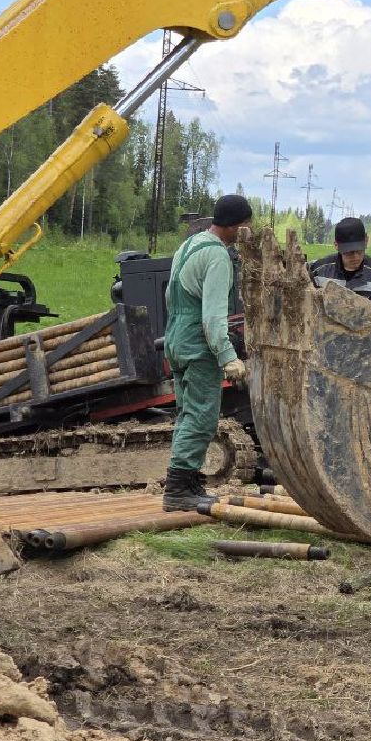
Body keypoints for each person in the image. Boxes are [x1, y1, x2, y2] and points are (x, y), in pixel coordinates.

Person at [161, 194, 252, 512]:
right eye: (247, 227)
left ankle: (188, 482)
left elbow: (171, 295)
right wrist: (228, 357)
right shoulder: (218, 256)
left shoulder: (190, 244)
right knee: (201, 417)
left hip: (176, 338)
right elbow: (213, 317)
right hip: (199, 345)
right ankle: (177, 491)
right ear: (238, 227)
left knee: (188, 415)